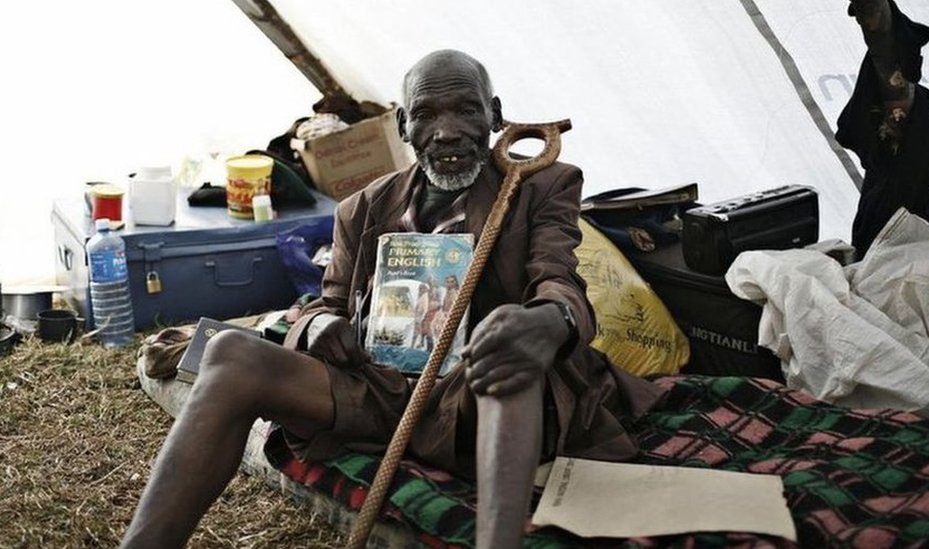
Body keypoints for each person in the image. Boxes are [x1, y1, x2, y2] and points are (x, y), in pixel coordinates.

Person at [121, 49, 661, 549]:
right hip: (377, 389)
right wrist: (319, 329)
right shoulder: (362, 208)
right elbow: (324, 304)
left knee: (507, 350)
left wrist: (548, 321)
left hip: (472, 395)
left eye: (466, 112)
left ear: (495, 116)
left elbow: (559, 279)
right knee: (228, 355)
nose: (447, 132)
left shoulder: (541, 185)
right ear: (403, 124)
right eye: (427, 115)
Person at [838, 0, 929, 259]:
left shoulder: (915, 103)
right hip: (893, 223)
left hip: (905, 223)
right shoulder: (903, 97)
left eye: (867, 14)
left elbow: (884, 42)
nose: (864, 22)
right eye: (861, 16)